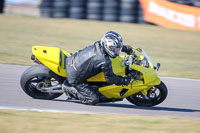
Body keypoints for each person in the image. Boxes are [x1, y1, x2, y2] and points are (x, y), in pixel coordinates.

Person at [63, 31, 133, 105]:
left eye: (118, 48)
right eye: (116, 49)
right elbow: (110, 79)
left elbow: (111, 46)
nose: (117, 51)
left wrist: (125, 48)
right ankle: (68, 88)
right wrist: (124, 80)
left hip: (72, 59)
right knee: (93, 99)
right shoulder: (104, 61)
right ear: (109, 47)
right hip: (74, 77)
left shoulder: (99, 44)